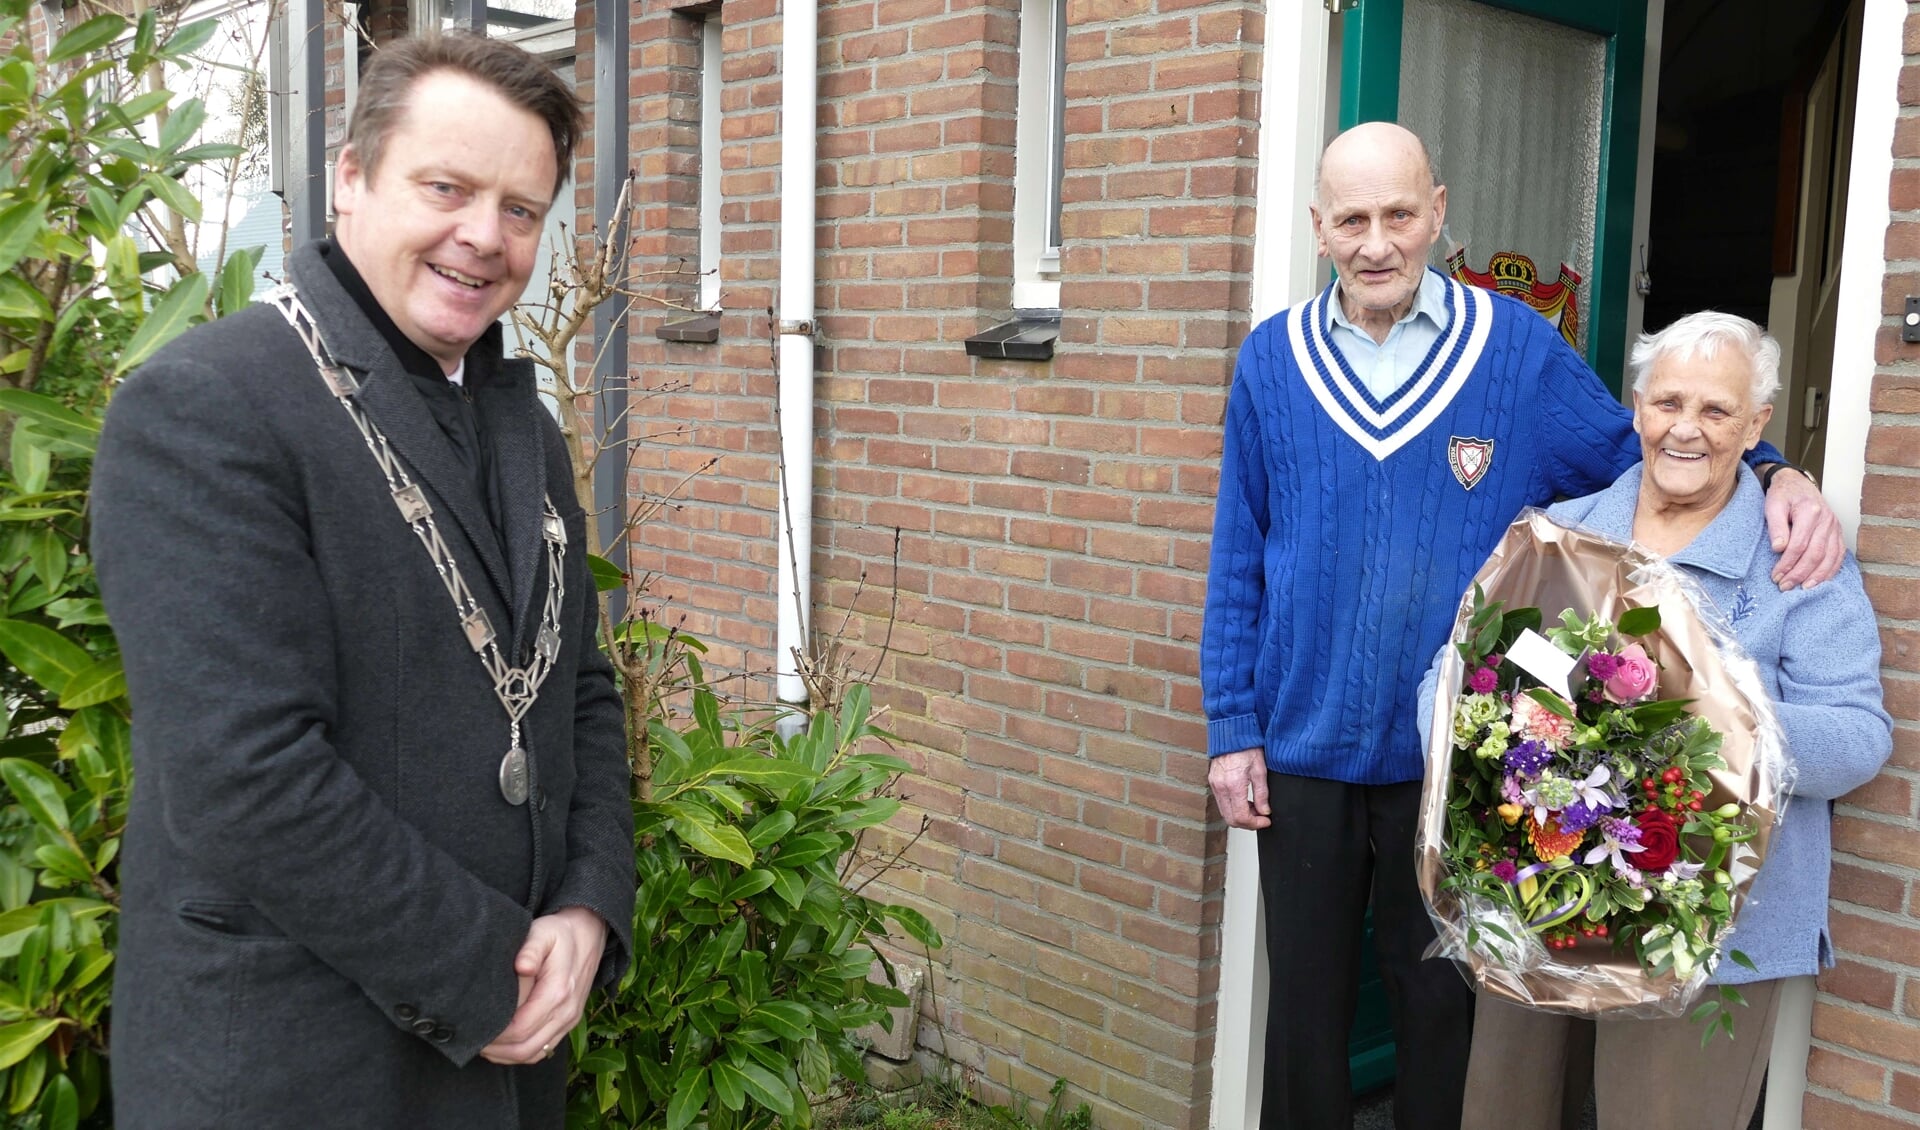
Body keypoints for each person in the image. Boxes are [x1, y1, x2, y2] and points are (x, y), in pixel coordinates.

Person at [1200, 121, 1843, 1130]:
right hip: (1303, 748)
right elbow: (1237, 553)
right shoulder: (1270, 363)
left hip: (1462, 759)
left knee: (1444, 1011)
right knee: (1306, 1018)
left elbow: (1656, 451)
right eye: (1354, 219)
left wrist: (1771, 470)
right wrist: (1231, 727)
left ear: (1440, 212)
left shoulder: (1518, 352)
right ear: (1320, 225)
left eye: (1400, 215)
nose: (1378, 243)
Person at [91, 33, 634, 1129]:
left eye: (522, 209)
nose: (485, 235)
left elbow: (579, 691)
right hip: (294, 1069)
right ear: (350, 179)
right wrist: (489, 973)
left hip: (506, 1064)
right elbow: (245, 774)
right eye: (447, 187)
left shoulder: (522, 428)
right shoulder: (208, 407)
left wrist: (587, 905)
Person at [1450, 313, 1891, 1130]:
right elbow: (1461, 676)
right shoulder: (1558, 535)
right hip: (1540, 898)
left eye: (1717, 412)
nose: (1686, 429)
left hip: (1706, 931)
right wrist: (1468, 717)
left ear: (1759, 425)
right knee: (1505, 1113)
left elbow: (1858, 737)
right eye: (1668, 403)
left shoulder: (1795, 560)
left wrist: (1704, 711)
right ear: (1638, 408)